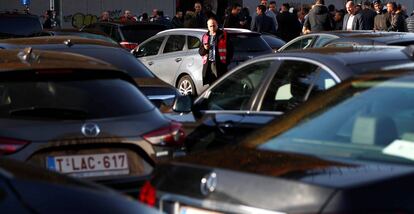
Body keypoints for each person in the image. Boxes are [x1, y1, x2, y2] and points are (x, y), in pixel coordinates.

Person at [199, 18, 233, 86]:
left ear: (217, 25)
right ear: (208, 27)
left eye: (214, 25)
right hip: (209, 64)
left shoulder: (223, 35)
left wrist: (227, 62)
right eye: (210, 26)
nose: (212, 28)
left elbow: (230, 50)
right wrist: (205, 48)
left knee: (220, 85)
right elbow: (200, 52)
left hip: (220, 64)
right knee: (211, 85)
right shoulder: (205, 36)